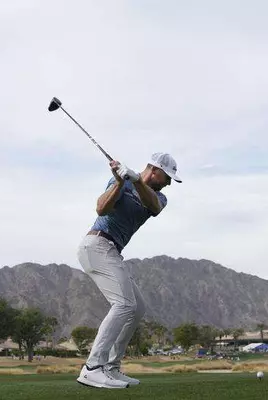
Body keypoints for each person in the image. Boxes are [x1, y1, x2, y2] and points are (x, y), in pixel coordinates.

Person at [76, 152, 182, 389]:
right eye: (167, 177)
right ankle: (92, 368)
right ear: (155, 169)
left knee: (137, 308)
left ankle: (111, 368)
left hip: (112, 250)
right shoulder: (120, 183)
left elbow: (154, 207)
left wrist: (135, 180)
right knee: (124, 305)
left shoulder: (159, 197)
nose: (168, 183)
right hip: (97, 244)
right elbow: (101, 209)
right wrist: (120, 182)